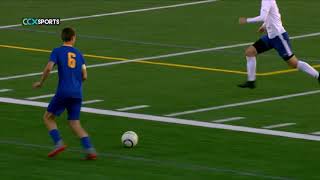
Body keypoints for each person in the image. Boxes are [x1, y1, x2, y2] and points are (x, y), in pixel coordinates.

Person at [32, 27, 97, 160]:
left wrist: (41, 82)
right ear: (73, 38)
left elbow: (49, 67)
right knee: (75, 123)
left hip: (63, 92)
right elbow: (85, 76)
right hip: (77, 93)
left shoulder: (57, 51)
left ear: (63, 37)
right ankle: (90, 150)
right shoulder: (79, 54)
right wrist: (76, 84)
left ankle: (58, 143)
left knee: (48, 117)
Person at [238, 0, 319, 89]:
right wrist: (264, 26)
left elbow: (263, 17)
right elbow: (274, 15)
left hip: (279, 38)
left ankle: (318, 76)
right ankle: (251, 81)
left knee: (293, 63)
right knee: (250, 52)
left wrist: (246, 20)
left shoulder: (266, 0)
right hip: (270, 37)